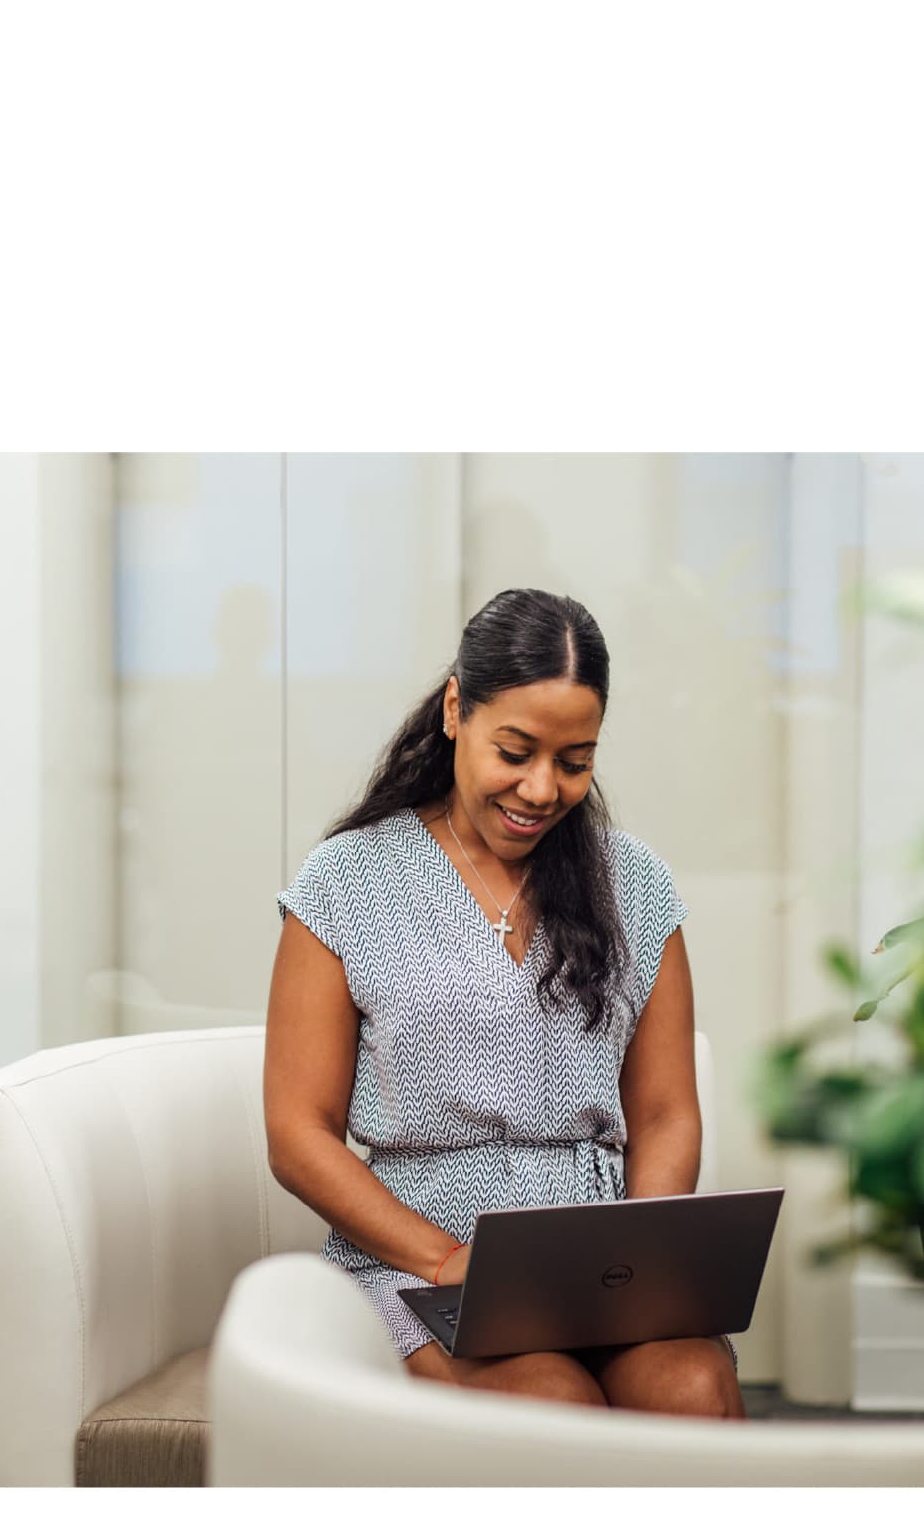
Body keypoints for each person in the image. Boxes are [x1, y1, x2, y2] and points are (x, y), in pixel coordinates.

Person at [262, 589, 741, 1417]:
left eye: (574, 760)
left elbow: (665, 1114)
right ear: (456, 709)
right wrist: (447, 1259)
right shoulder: (347, 884)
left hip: (597, 1270)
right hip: (417, 1262)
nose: (542, 788)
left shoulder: (637, 884)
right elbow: (298, 1134)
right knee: (548, 1403)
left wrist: (643, 1264)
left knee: (694, 1387)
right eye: (514, 751)